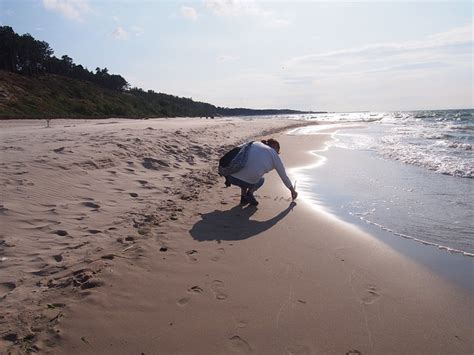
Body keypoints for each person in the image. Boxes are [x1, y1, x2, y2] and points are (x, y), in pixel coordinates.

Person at [227, 138, 298, 206]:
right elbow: (284, 177)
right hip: (247, 181)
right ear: (275, 147)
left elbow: (236, 151)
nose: (277, 153)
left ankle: (243, 197)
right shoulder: (275, 156)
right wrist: (292, 191)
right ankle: (250, 193)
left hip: (231, 177)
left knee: (246, 171)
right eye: (278, 151)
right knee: (260, 179)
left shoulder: (255, 143)